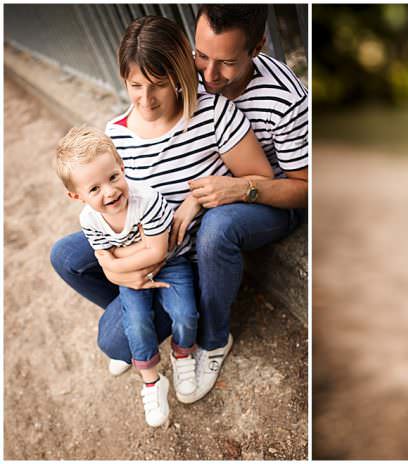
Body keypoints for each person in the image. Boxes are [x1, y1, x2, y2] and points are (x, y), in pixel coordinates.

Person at [49, 16, 274, 405]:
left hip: (180, 257)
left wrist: (198, 198)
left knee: (112, 341)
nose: (146, 99)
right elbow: (115, 201)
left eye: (158, 86)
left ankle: (158, 329)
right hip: (139, 244)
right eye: (135, 86)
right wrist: (125, 268)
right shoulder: (116, 132)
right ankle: (139, 312)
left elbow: (259, 177)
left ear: (179, 75)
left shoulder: (214, 115)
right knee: (65, 255)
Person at [158, 4, 306, 402]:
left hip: (270, 198)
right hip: (213, 188)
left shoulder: (288, 102)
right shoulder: (193, 71)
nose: (207, 76)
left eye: (225, 63)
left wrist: (240, 190)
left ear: (258, 46)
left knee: (217, 229)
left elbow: (304, 188)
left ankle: (214, 338)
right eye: (201, 56)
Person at [56, 127, 199, 426]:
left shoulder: (146, 200)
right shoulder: (89, 219)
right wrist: (118, 265)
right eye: (94, 189)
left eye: (112, 178)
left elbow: (157, 252)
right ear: (75, 196)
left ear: (121, 167)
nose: (109, 192)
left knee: (185, 313)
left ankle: (183, 354)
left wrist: (114, 262)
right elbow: (104, 259)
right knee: (135, 321)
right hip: (129, 275)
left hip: (172, 264)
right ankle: (151, 381)